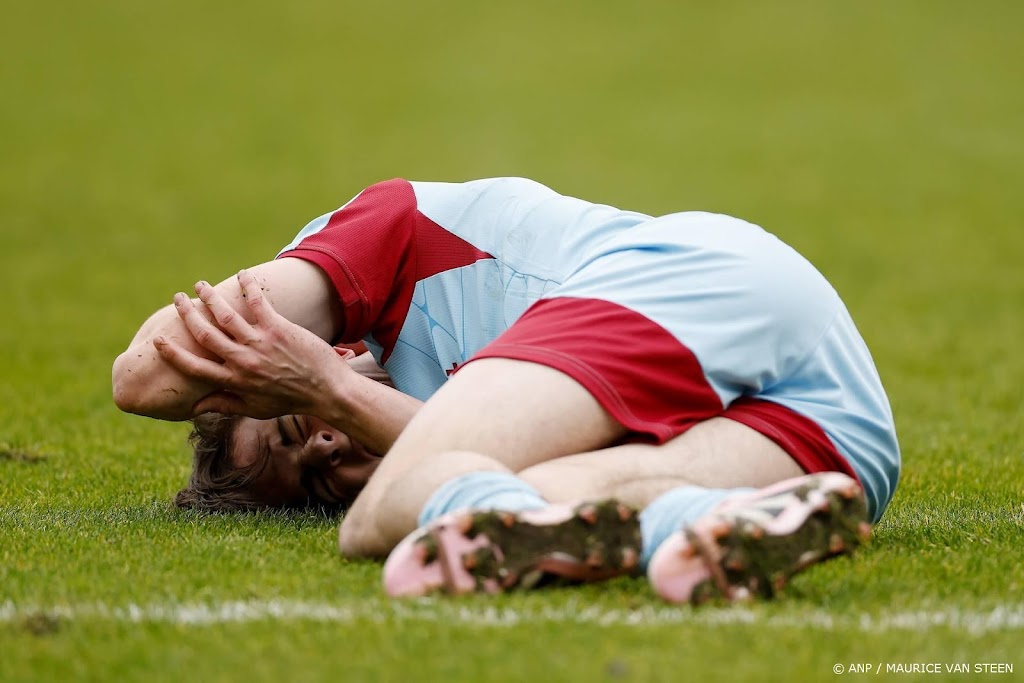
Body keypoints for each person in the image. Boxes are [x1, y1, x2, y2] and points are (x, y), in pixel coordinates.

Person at [112, 177, 900, 603]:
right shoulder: (482, 439)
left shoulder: (393, 235)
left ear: (324, 343)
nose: (324, 441)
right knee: (537, 499)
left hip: (692, 275)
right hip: (844, 441)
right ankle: (705, 528)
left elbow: (140, 377)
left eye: (291, 426)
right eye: (317, 477)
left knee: (379, 525)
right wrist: (325, 398)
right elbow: (452, 453)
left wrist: (321, 385)